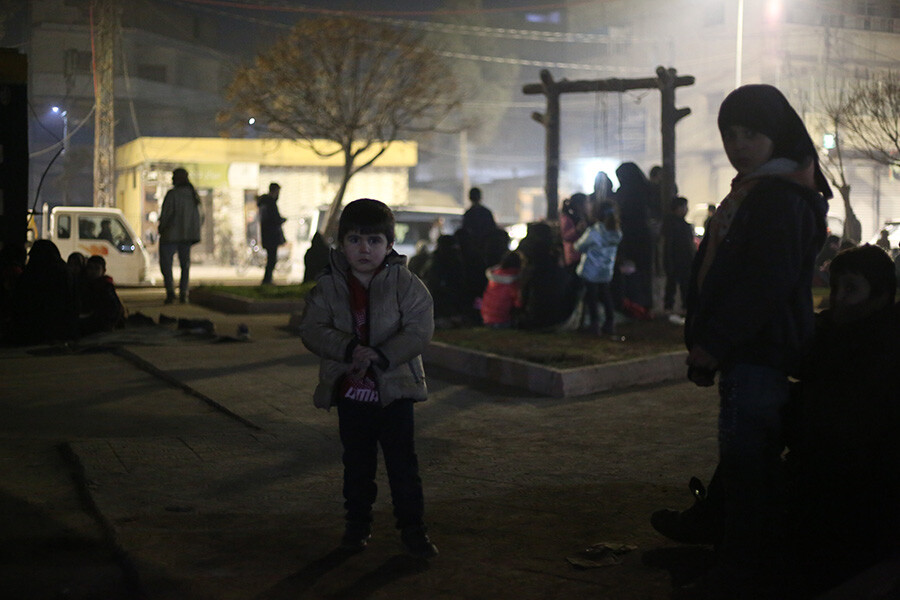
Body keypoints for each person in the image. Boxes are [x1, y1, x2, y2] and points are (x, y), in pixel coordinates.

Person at [657, 84, 831, 598]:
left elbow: (764, 284)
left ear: (775, 134)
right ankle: (723, 543)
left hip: (759, 351)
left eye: (750, 133)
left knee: (748, 471)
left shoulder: (778, 198)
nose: (738, 144)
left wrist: (716, 342)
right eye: (729, 134)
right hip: (750, 351)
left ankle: (739, 574)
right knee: (742, 460)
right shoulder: (759, 190)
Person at [297, 198, 438, 559]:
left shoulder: (405, 284)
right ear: (341, 243)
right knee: (357, 466)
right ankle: (357, 527)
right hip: (350, 395)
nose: (364, 249)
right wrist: (348, 350)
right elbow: (312, 328)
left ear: (389, 244)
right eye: (355, 240)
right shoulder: (329, 286)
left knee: (402, 466)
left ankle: (413, 530)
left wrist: (379, 354)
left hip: (396, 393)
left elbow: (420, 329)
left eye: (374, 241)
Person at [785, 244, 899, 598]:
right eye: (835, 288)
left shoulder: (878, 341)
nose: (839, 298)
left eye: (851, 289)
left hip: (860, 481)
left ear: (879, 293)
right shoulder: (840, 330)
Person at [574, 201, 621, 335]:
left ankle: (594, 325)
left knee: (592, 298)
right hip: (606, 271)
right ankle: (610, 323)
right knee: (606, 297)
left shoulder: (594, 231)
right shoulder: (616, 232)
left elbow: (579, 246)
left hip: (591, 271)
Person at [614, 162, 655, 315]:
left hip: (630, 237)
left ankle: (633, 304)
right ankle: (645, 304)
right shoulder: (646, 190)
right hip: (644, 236)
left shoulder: (624, 193)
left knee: (630, 271)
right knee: (644, 271)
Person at [158, 167, 202, 304]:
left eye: (173, 176)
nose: (171, 179)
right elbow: (200, 217)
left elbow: (166, 214)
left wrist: (161, 227)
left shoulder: (172, 194)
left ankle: (170, 292)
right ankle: (184, 293)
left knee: (166, 264)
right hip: (186, 237)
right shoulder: (193, 196)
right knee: (185, 265)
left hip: (170, 235)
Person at [661, 196, 695, 321]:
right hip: (678, 260)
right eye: (684, 207)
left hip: (681, 260)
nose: (686, 209)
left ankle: (672, 308)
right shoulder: (675, 225)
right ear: (678, 208)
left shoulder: (675, 224)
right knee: (675, 285)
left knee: (679, 285)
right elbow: (669, 244)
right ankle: (673, 307)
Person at [78, 255, 125, 336]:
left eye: (97, 268)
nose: (93, 271)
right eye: (90, 268)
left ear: (103, 271)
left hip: (101, 322)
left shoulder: (106, 286)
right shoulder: (84, 284)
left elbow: (113, 309)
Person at [480, 250, 523, 328]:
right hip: (502, 320)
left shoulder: (494, 276)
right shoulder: (514, 280)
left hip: (486, 317)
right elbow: (518, 303)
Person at [257, 182, 286, 285]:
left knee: (271, 259)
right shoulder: (270, 203)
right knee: (272, 259)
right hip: (271, 236)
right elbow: (274, 219)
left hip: (267, 235)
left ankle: (267, 279)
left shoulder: (264, 203)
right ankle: (267, 280)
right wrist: (281, 220)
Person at [461, 186, 497, 254]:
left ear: (470, 198)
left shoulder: (468, 214)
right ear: (480, 197)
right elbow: (492, 229)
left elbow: (464, 231)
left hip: (471, 248)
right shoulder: (486, 212)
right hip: (486, 247)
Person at [559, 193, 590, 268]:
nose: (588, 205)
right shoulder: (567, 218)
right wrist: (576, 230)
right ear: (579, 205)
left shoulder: (584, 217)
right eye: (587, 202)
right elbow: (565, 236)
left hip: (582, 257)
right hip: (573, 257)